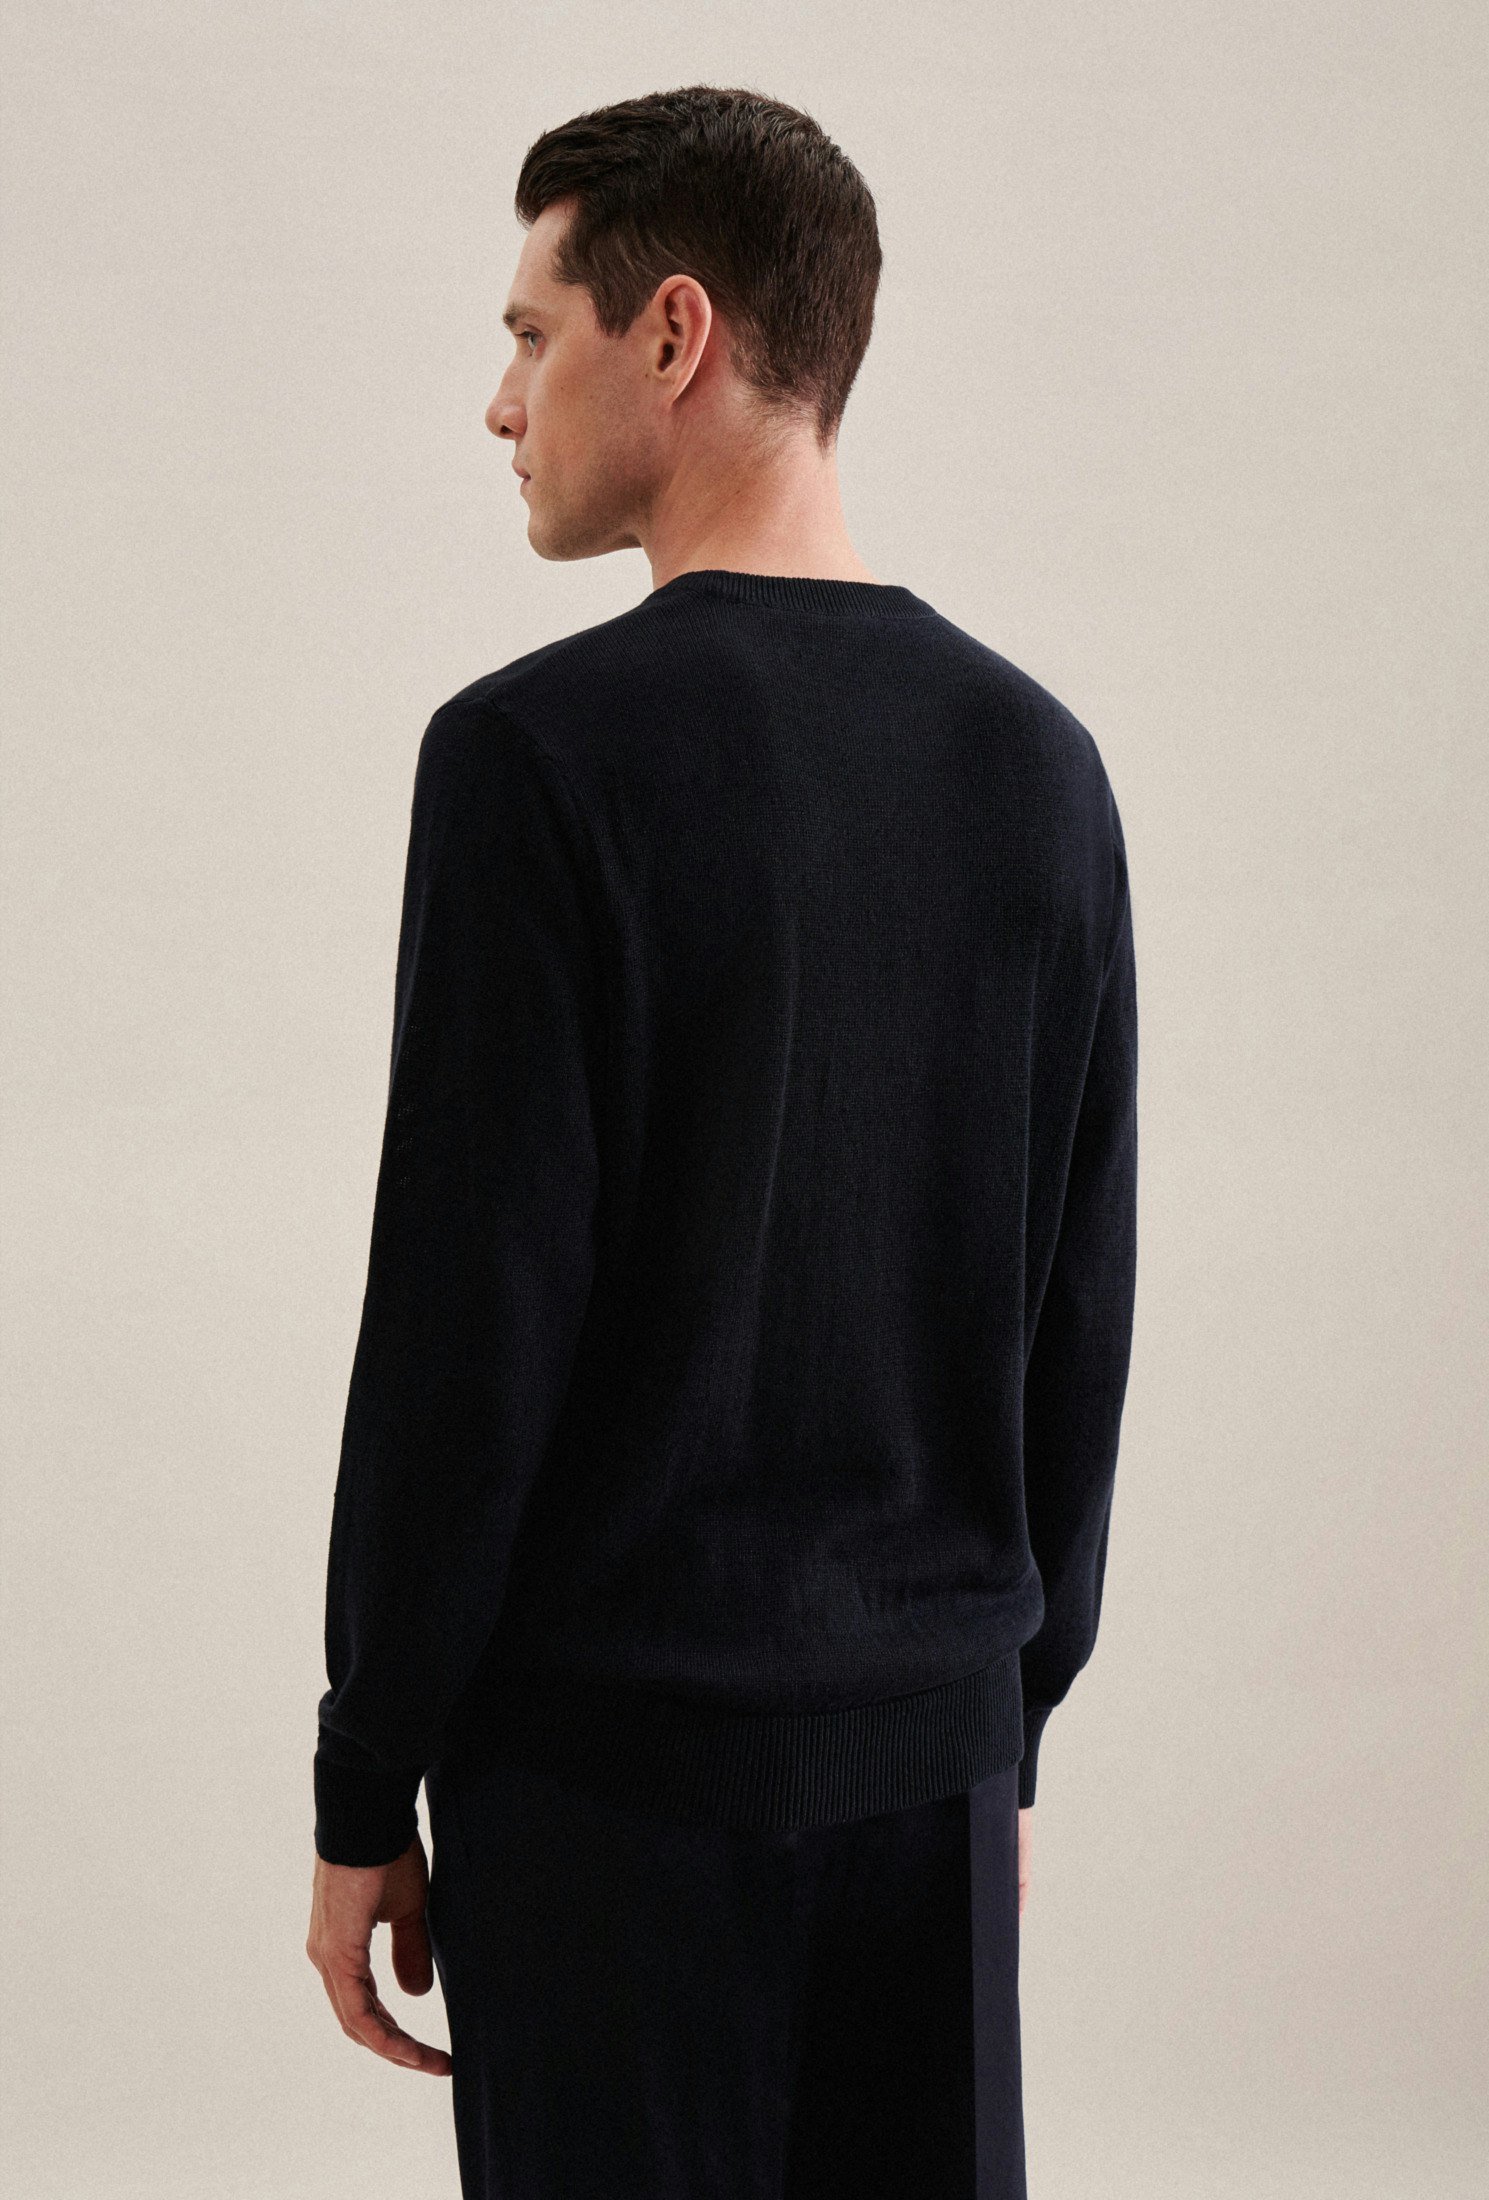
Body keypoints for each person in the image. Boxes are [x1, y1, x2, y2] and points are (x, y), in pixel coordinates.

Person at [304, 83, 1137, 2200]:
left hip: (607, 1796)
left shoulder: (534, 762)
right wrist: (1001, 1731)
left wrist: (364, 1777)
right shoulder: (1041, 769)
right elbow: (1077, 1317)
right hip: (934, 1763)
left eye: (532, 332)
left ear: (672, 333)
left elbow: (468, 1336)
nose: (503, 402)